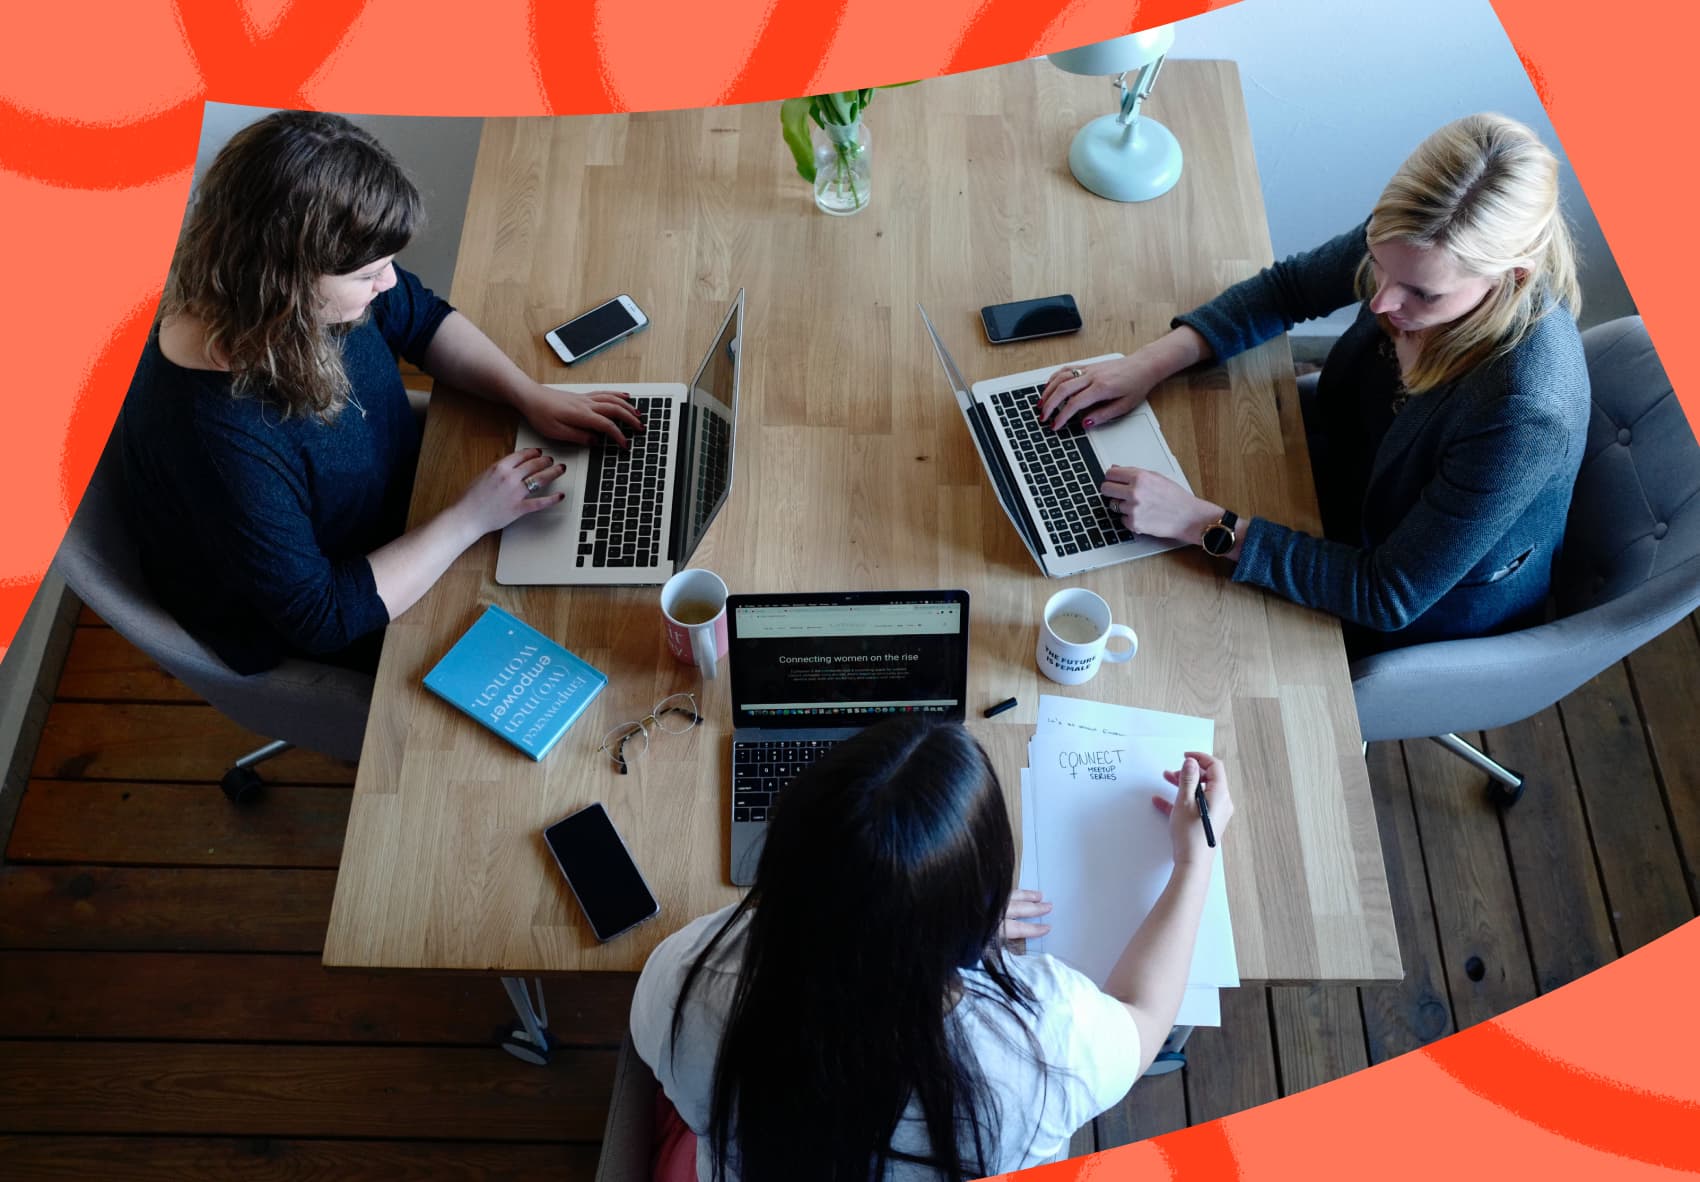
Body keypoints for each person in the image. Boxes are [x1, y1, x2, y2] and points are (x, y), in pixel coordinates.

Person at [1039, 113, 1589, 653]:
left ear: (1512, 276)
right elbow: (1289, 290)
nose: (1381, 302)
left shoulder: (1523, 411)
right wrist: (1146, 364)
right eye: (1378, 265)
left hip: (1408, 607)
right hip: (1338, 478)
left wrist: (1199, 522)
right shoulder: (1416, 237)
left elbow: (1386, 594)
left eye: (1421, 294)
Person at [115, 110, 641, 674]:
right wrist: (469, 519)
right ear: (285, 281)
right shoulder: (218, 439)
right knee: (585, 637)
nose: (388, 283)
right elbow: (320, 616)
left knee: (597, 566)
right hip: (349, 600)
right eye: (369, 275)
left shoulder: (282, 292)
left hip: (411, 500)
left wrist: (527, 393)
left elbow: (419, 318)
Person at [630, 717, 1233, 1181]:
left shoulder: (685, 976)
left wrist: (909, 918)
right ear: (981, 910)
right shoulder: (1043, 1045)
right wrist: (1193, 860)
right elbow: (1144, 1014)